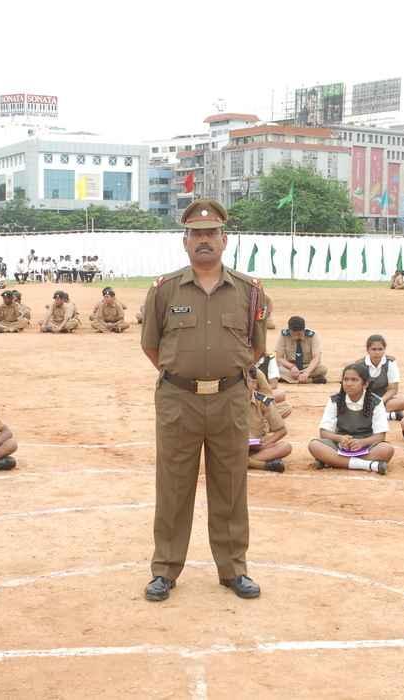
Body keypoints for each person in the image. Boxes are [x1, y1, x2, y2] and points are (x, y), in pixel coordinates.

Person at [140, 197, 266, 602]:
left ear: (225, 240)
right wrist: (186, 376)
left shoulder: (249, 291)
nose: (204, 240)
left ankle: (233, 569)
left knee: (230, 485)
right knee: (173, 486)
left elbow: (256, 348)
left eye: (212, 233)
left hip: (230, 400)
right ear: (185, 241)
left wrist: (222, 376)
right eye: (196, 234)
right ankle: (165, 569)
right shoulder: (164, 290)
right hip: (179, 401)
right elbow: (151, 345)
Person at [307, 363, 393, 473]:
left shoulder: (376, 402)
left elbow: (380, 436)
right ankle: (368, 465)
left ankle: (333, 461)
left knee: (386, 450)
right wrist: (340, 439)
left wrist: (362, 442)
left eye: (354, 380)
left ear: (365, 384)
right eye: (346, 379)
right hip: (340, 446)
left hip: (366, 446)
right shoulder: (335, 400)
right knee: (314, 445)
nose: (348, 384)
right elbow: (324, 432)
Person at [245, 368, 290, 472]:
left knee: (285, 447)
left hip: (256, 446)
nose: (241, 387)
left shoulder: (263, 400)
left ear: (254, 384)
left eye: (246, 381)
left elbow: (282, 430)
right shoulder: (229, 401)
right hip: (234, 446)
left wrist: (265, 443)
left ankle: (248, 462)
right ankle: (261, 465)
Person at [358, 335, 404, 420]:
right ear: (368, 350)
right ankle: (389, 415)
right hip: (365, 399)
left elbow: (393, 389)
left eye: (380, 349)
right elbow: (357, 390)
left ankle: (370, 414)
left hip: (384, 399)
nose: (377, 352)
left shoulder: (390, 363)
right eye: (374, 349)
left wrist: (380, 401)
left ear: (384, 349)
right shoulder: (360, 365)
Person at [274, 316, 327, 384]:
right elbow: (279, 358)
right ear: (289, 330)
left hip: (307, 366)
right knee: (274, 369)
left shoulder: (313, 335)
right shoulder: (283, 335)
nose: (297, 336)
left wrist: (307, 372)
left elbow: (316, 358)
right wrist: (292, 367)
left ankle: (290, 379)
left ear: (303, 330)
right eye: (294, 334)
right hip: (290, 367)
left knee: (323, 369)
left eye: (299, 334)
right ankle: (310, 380)